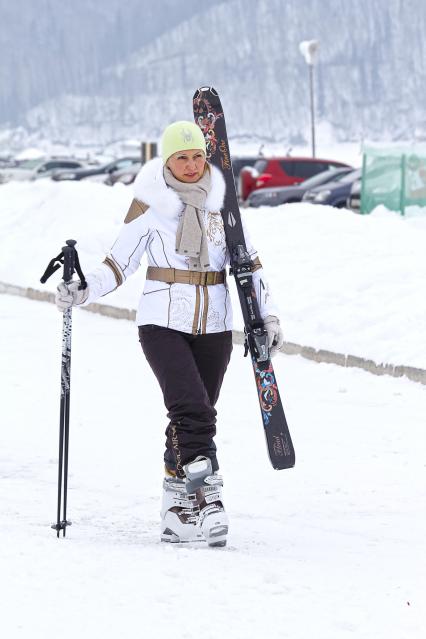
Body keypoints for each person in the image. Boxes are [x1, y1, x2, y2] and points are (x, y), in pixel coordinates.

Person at [56, 120, 283, 547]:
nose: (193, 164)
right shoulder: (150, 206)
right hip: (161, 323)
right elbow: (117, 264)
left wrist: (267, 316)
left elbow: (248, 263)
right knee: (194, 410)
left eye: (198, 155)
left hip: (215, 325)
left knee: (191, 415)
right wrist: (83, 290)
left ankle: (175, 510)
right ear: (167, 161)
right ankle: (207, 497)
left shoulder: (224, 207)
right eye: (182, 157)